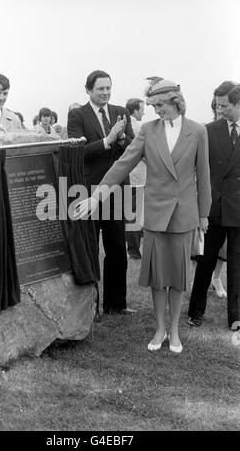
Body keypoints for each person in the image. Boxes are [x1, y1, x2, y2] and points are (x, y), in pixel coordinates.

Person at [74, 78, 211, 353]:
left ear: (176, 101)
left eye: (160, 105)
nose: (156, 110)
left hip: (184, 215)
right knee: (158, 277)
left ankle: (174, 330)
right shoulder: (148, 130)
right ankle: (159, 328)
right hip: (157, 215)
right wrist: (96, 196)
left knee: (178, 276)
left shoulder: (197, 131)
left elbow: (204, 176)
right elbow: (123, 165)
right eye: (153, 105)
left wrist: (204, 216)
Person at [68, 70, 136, 315]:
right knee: (89, 248)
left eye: (109, 88)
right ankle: (90, 306)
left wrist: (121, 141)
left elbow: (133, 147)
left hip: (117, 190)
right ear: (88, 90)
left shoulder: (121, 112)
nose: (106, 93)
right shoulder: (77, 115)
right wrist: (108, 139)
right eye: (100, 89)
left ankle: (116, 304)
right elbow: (79, 151)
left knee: (117, 247)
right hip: (88, 192)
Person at [188, 81, 240, 330]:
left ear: (238, 104)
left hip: (239, 210)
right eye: (217, 105)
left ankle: (236, 319)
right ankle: (195, 312)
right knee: (205, 262)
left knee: (237, 266)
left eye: (225, 105)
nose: (219, 110)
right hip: (213, 210)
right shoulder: (208, 131)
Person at [125, 98, 146, 259]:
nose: (143, 112)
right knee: (134, 216)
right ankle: (133, 250)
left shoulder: (125, 124)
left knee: (131, 215)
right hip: (137, 179)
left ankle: (133, 249)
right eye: (142, 109)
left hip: (128, 177)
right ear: (135, 111)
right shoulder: (138, 127)